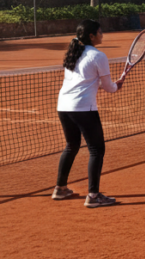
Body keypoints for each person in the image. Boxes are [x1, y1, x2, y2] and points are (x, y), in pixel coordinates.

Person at [54, 19, 127, 208]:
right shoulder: (98, 56)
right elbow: (109, 88)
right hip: (83, 108)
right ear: (91, 36)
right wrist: (116, 86)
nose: (102, 35)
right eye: (100, 32)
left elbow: (88, 82)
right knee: (96, 149)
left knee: (71, 145)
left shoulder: (73, 53)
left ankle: (60, 188)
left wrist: (108, 85)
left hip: (64, 106)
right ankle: (93, 196)